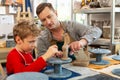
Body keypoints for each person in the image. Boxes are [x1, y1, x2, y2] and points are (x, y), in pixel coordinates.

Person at [36, 3, 102, 60]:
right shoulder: (42, 38)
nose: (48, 22)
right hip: (56, 71)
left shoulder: (71, 26)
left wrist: (81, 42)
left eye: (49, 17)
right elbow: (41, 59)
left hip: (79, 65)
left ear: (56, 13)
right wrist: (50, 56)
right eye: (43, 20)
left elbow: (96, 31)